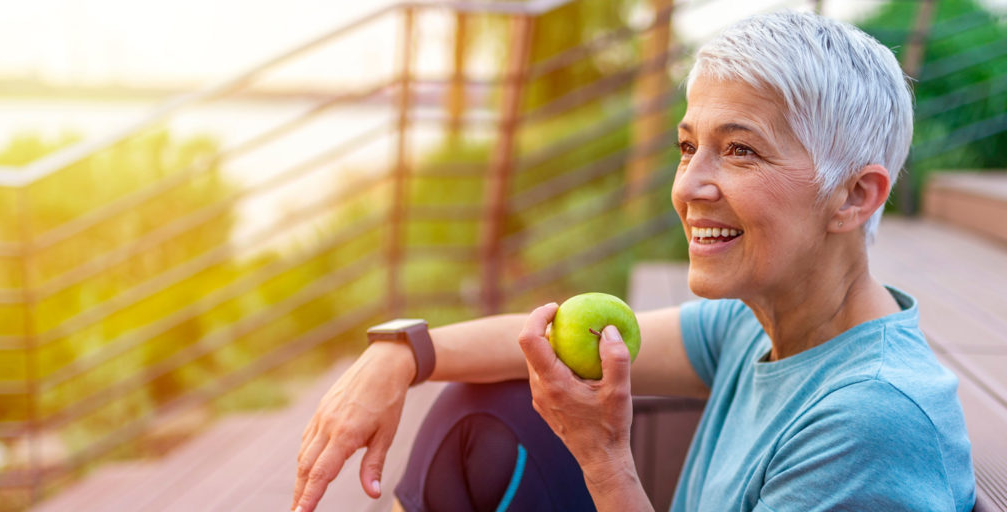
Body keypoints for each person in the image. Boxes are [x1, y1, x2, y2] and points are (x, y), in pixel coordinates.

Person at [291, 11, 976, 512]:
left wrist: (604, 456)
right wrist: (402, 355)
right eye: (688, 147)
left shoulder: (872, 425)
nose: (689, 187)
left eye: (740, 151)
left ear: (855, 195)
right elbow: (542, 341)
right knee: (484, 407)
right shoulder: (763, 323)